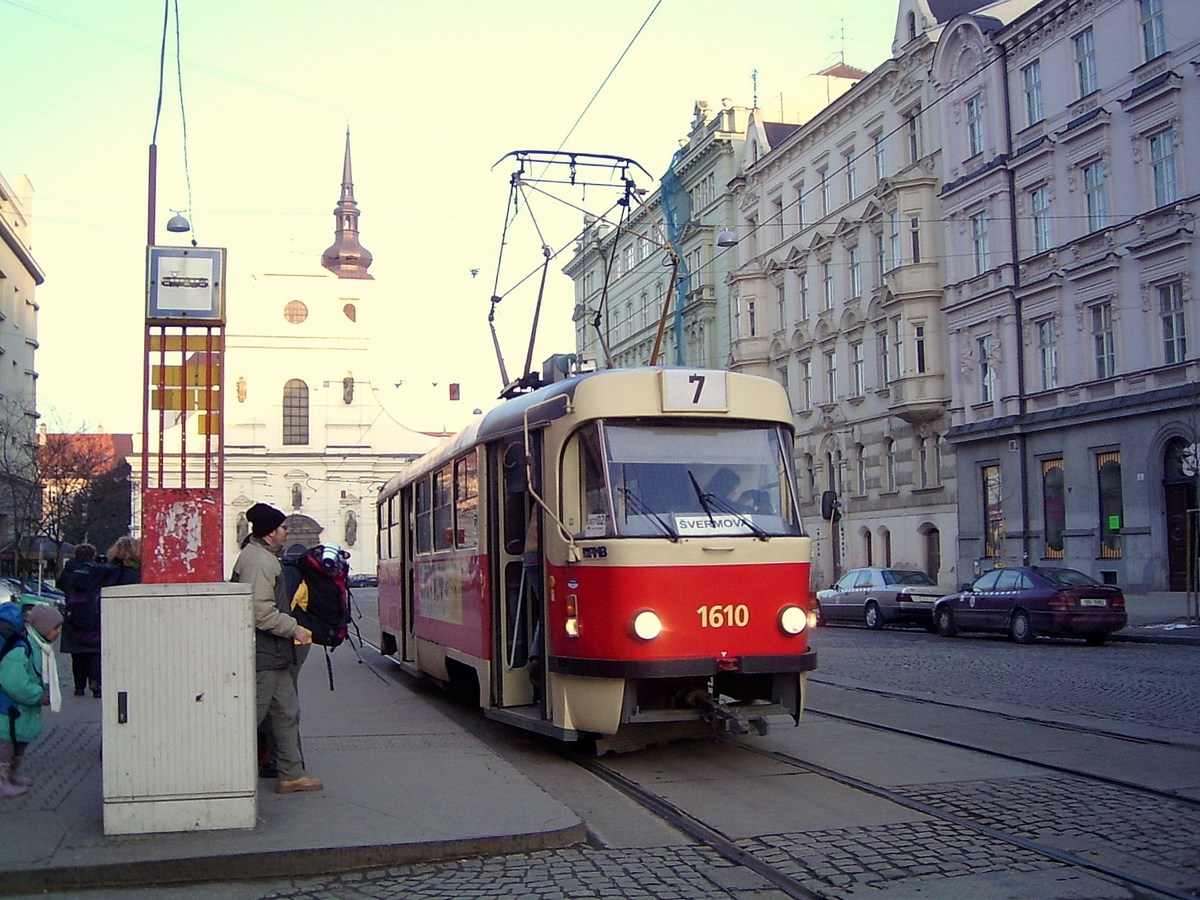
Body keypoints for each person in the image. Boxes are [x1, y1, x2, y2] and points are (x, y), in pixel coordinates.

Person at [232, 502, 322, 795]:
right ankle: (229, 775)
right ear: (271, 532)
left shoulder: (263, 556)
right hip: (265, 654)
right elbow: (259, 612)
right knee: (252, 717)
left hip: (276, 654)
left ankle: (291, 774)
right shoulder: (259, 561)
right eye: (283, 527)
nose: (286, 532)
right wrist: (294, 627)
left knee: (286, 712)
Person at [59, 538, 141, 699]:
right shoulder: (129, 574)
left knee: (78, 654)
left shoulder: (93, 571)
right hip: (101, 619)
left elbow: (63, 586)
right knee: (95, 653)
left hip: (77, 617)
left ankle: (79, 686)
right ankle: (96, 681)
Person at [0, 604, 63, 798]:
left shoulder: (38, 646)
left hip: (18, 711)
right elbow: (13, 681)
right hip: (7, 709)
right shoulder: (22, 648)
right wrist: (37, 694)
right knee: (5, 746)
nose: (59, 632)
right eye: (56, 627)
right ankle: (1, 782)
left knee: (18, 743)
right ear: (44, 628)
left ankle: (10, 775)